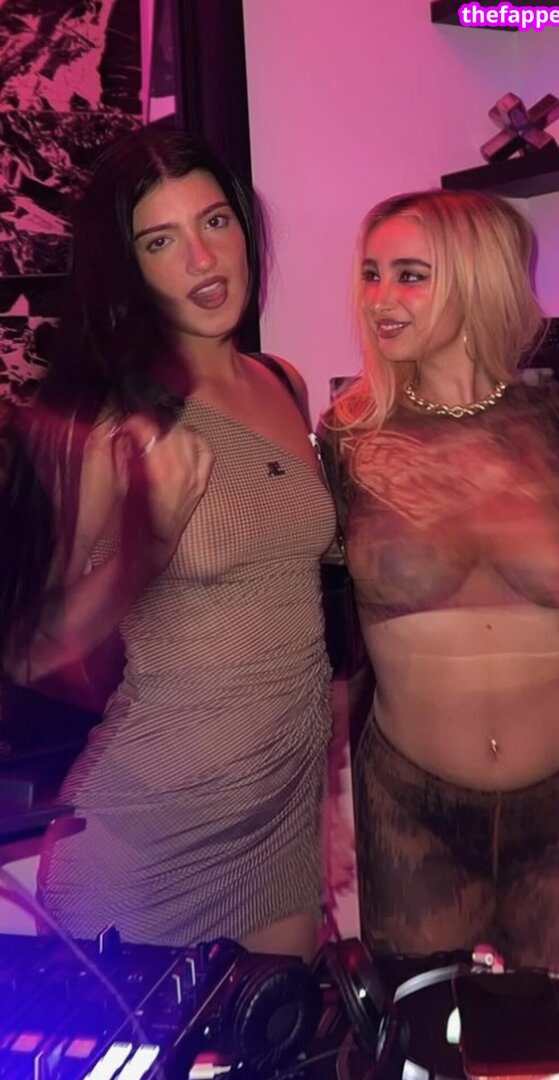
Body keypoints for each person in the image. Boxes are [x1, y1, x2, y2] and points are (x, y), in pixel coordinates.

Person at [0, 127, 335, 959]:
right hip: (145, 839)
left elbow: (299, 611)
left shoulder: (282, 382)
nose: (201, 258)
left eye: (214, 221)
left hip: (280, 826)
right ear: (129, 267)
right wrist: (146, 545)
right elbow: (31, 650)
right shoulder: (114, 424)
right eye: (161, 241)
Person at [319, 188, 559, 972]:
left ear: (476, 279)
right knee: (421, 1027)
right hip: (412, 809)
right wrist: (322, 796)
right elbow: (324, 637)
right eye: (371, 273)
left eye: (409, 275)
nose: (379, 298)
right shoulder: (351, 433)